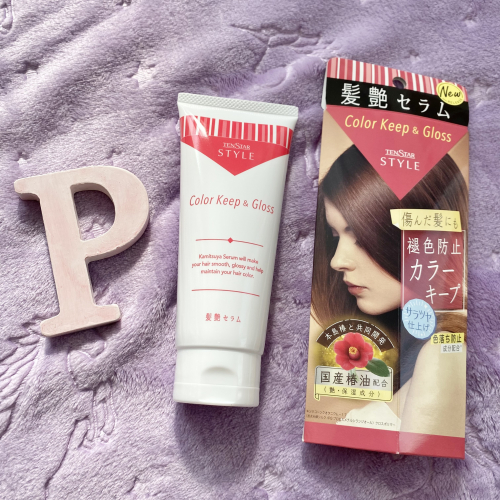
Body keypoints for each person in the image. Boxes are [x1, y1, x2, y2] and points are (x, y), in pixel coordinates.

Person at [311, 145, 468, 435]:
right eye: (335, 236)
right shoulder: (405, 337)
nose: (337, 261)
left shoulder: (441, 354)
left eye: (360, 238)